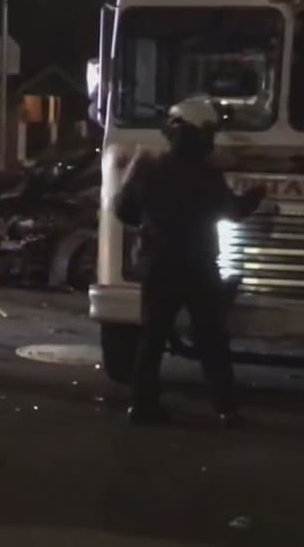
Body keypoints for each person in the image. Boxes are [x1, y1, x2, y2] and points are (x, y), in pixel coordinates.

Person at [115, 98, 265, 427]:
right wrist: (258, 194)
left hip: (158, 265)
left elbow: (124, 210)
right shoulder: (208, 174)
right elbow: (234, 212)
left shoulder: (150, 169)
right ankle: (226, 408)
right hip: (198, 266)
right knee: (211, 339)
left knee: (152, 338)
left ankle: (142, 406)